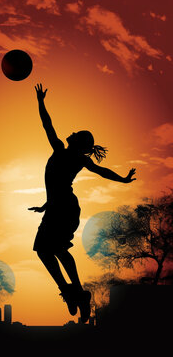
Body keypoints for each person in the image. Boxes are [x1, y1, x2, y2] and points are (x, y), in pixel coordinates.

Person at [29, 83, 136, 322]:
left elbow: (48, 125)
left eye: (77, 134)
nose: (72, 132)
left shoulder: (67, 153)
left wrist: (40, 102)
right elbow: (62, 183)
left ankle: (76, 292)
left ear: (77, 142)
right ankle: (71, 291)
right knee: (44, 251)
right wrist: (45, 205)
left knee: (53, 249)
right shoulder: (71, 156)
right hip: (59, 206)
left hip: (65, 207)